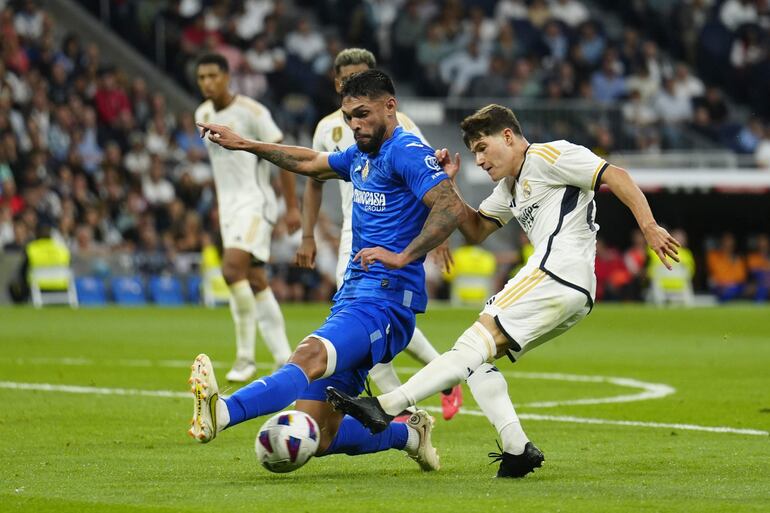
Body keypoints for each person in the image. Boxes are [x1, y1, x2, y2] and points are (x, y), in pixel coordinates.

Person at [327, 104, 681, 477]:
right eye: (475, 151)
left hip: (555, 272)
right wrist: (447, 184)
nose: (479, 159)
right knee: (478, 361)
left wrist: (650, 226)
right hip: (572, 288)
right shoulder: (509, 187)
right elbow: (476, 231)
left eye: (483, 147)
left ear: (508, 137)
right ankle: (516, 448)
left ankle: (385, 406)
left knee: (468, 346)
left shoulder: (548, 155)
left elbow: (616, 175)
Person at [189, 69, 467, 471]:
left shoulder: (405, 149)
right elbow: (310, 162)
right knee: (319, 435)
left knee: (308, 354)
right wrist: (245, 144)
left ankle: (224, 413)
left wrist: (404, 255)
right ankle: (410, 433)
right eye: (348, 116)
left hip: (384, 303)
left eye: (363, 114)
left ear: (390, 107)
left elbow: (449, 206)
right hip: (353, 298)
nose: (355, 124)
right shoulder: (362, 154)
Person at [294, 48, 463, 421]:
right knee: (366, 323)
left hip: (394, 233)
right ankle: (426, 388)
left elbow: (433, 177)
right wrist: (308, 234)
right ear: (338, 84)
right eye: (346, 79)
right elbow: (313, 176)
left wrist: (440, 237)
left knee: (370, 322)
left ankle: (403, 408)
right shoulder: (327, 128)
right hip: (351, 233)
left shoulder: (399, 124)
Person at [194, 53, 298, 382]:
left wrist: (292, 206)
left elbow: (283, 153)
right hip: (229, 208)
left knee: (231, 270)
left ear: (227, 77)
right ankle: (284, 357)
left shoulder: (253, 112)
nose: (207, 83)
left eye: (213, 76)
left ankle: (245, 358)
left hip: (255, 202)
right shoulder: (203, 113)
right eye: (201, 78)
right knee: (254, 278)